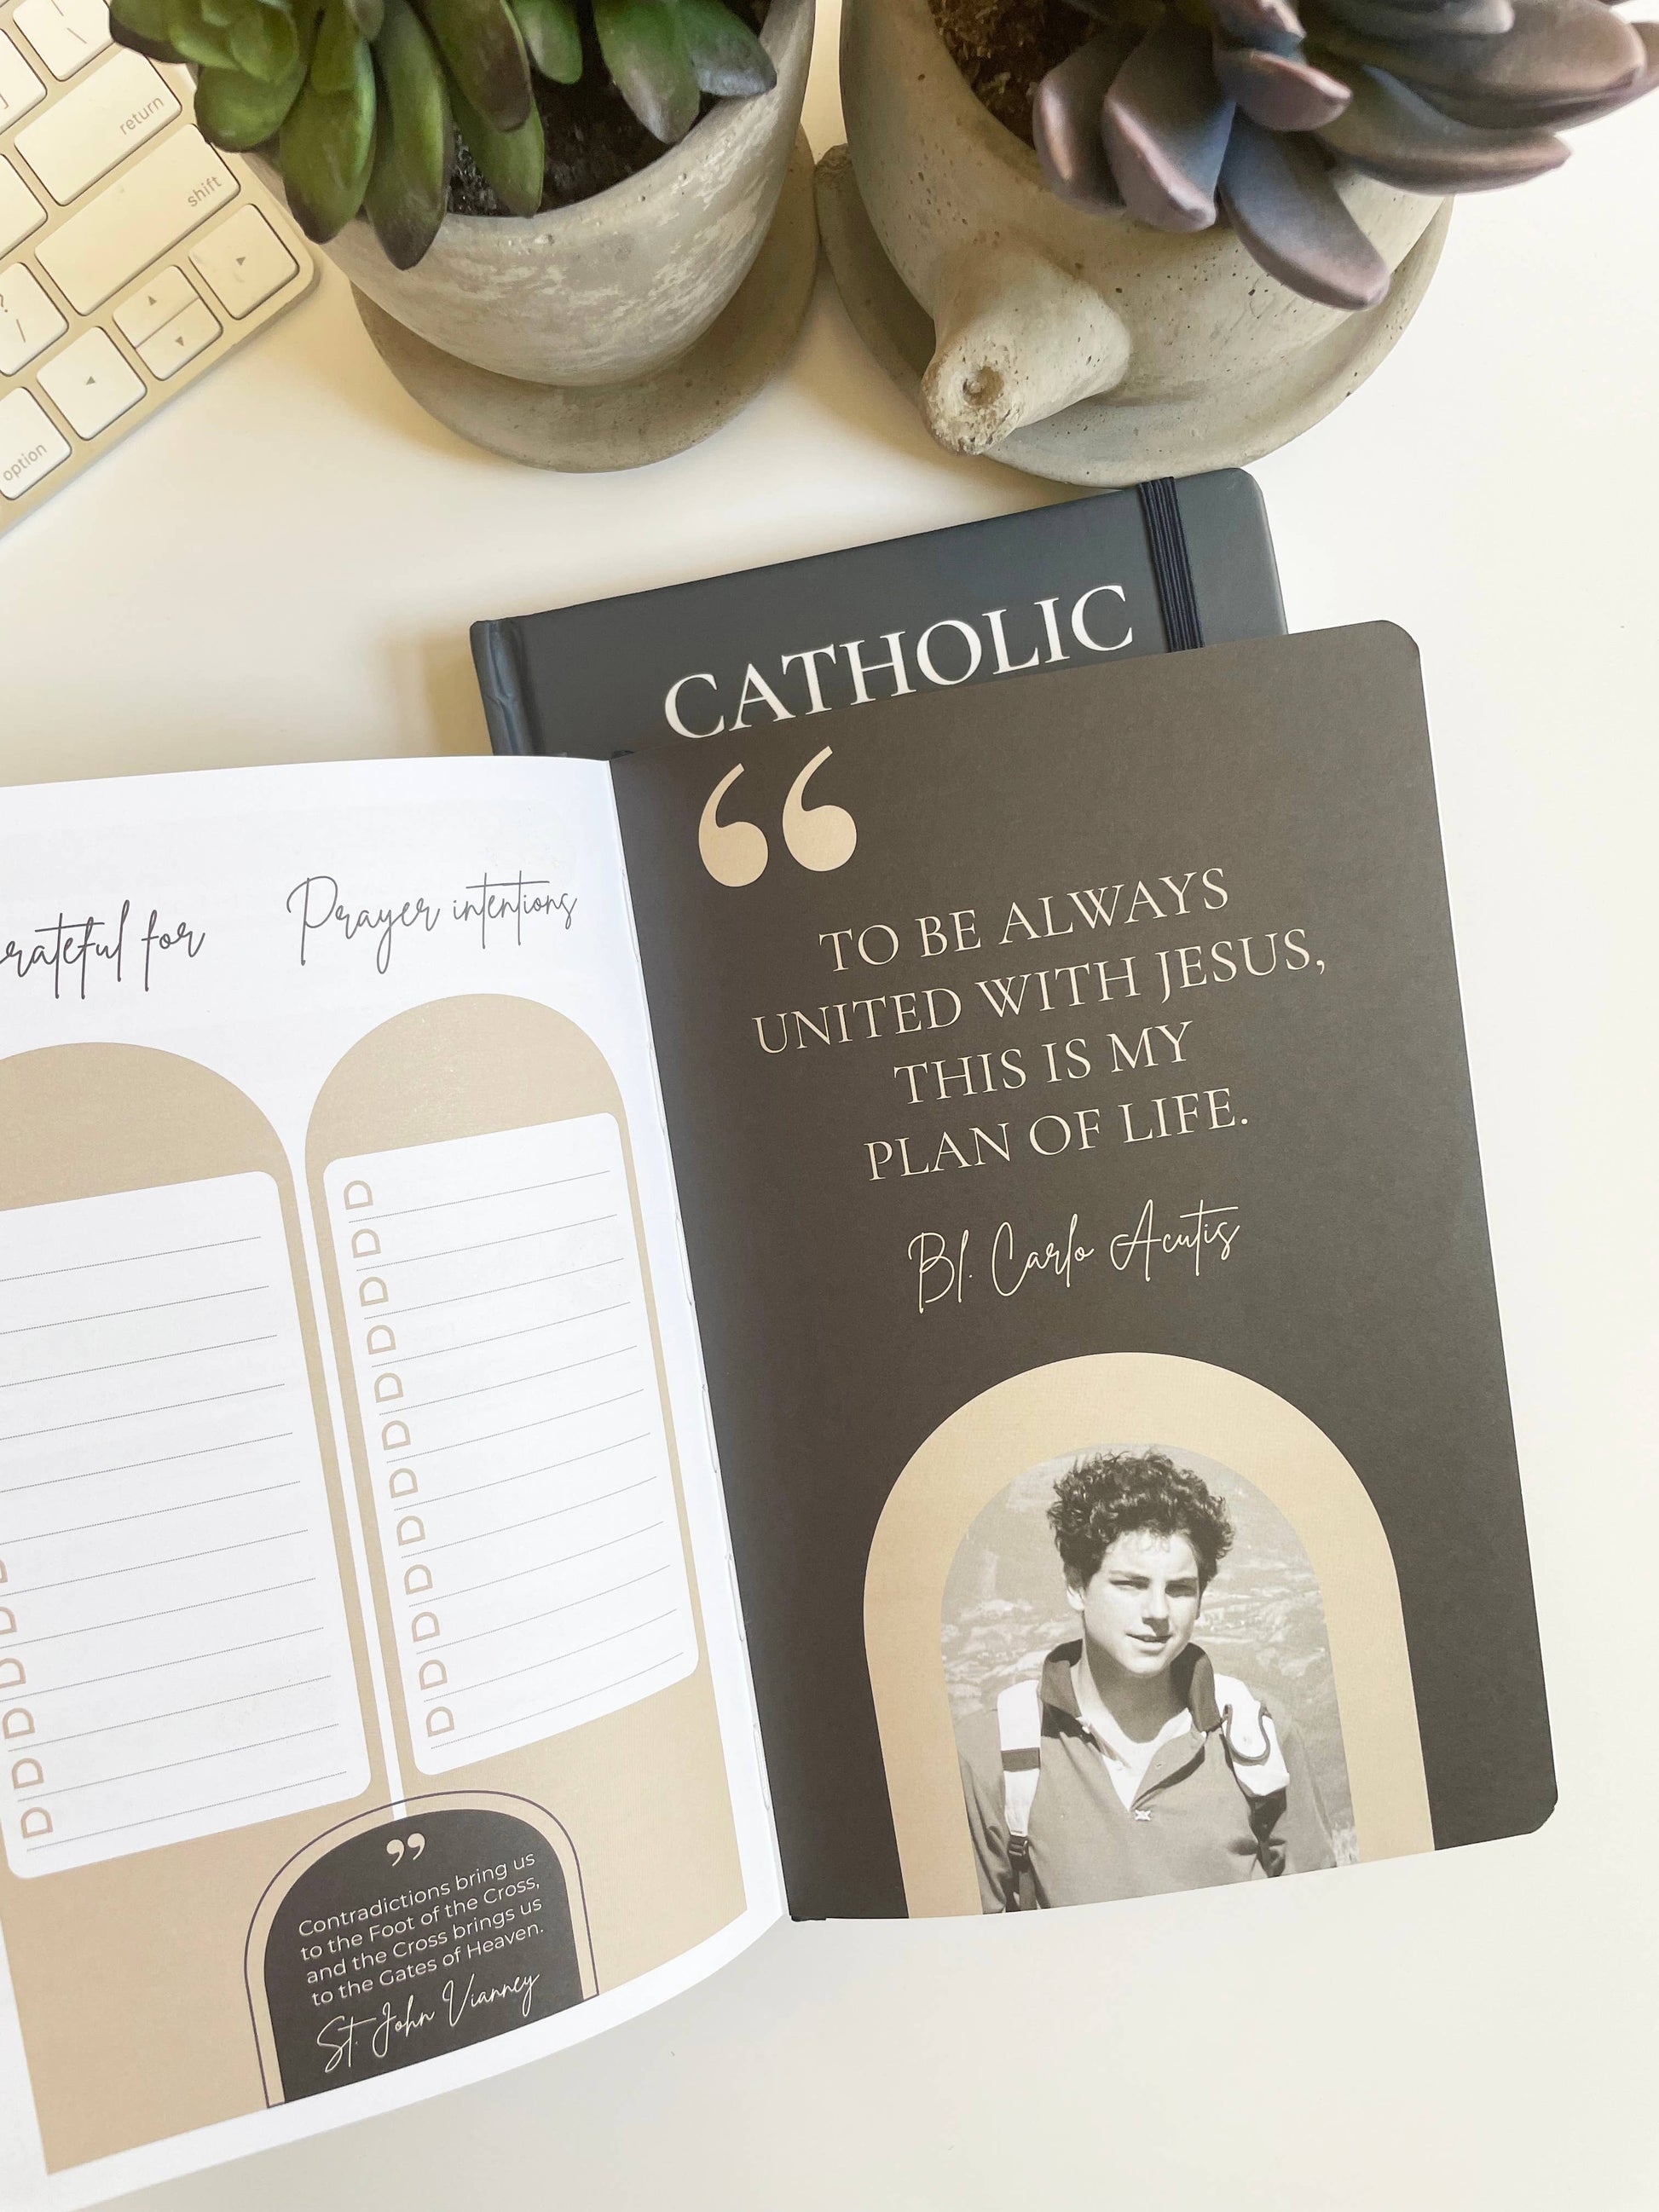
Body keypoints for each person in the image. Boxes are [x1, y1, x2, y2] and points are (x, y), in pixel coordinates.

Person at [957, 1447, 1336, 1912]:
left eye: (1179, 1589)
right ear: (1076, 1585)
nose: (1158, 1612)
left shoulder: (1260, 1735)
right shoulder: (993, 1751)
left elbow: (1321, 1919)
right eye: (1131, 1585)